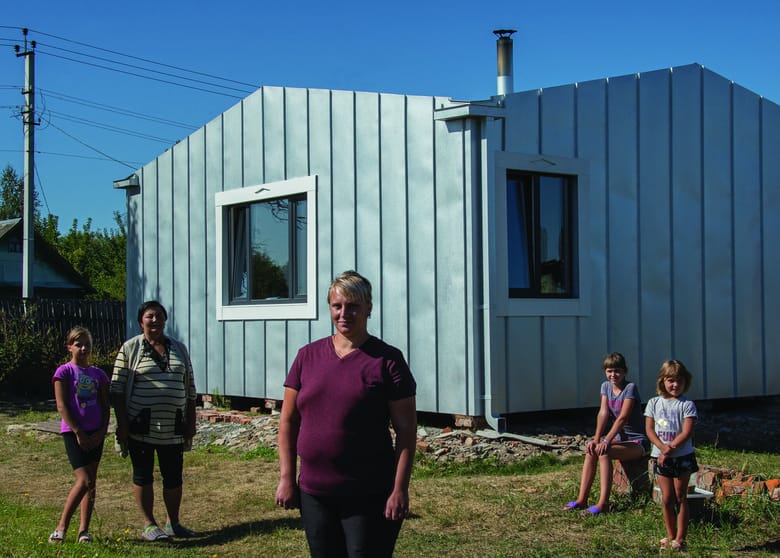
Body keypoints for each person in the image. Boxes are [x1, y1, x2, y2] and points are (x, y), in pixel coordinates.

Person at [275, 270, 417, 558]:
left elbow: (406, 431)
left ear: (369, 308)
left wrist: (399, 489)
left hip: (369, 493)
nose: (344, 313)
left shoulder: (388, 361)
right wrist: (287, 477)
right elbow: (288, 422)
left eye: (353, 306)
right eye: (337, 306)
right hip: (314, 493)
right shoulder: (307, 357)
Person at [111, 300, 198, 542]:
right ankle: (149, 524)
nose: (155, 320)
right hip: (141, 426)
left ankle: (173, 523)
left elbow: (190, 388)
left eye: (159, 316)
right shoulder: (130, 348)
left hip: (173, 426)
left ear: (165, 320)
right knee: (143, 474)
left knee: (174, 476)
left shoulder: (179, 348)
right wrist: (123, 424)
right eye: (150, 316)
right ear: (141, 321)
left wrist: (191, 422)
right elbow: (117, 389)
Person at [563, 352, 650, 516]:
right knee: (591, 450)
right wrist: (596, 439)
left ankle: (603, 503)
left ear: (624, 372)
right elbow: (603, 413)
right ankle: (582, 499)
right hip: (618, 439)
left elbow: (622, 418)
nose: (613, 375)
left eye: (617, 371)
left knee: (604, 452)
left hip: (637, 442)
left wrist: (607, 440)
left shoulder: (630, 388)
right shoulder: (605, 387)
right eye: (609, 371)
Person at [49, 326, 110, 544]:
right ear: (70, 347)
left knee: (91, 481)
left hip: (96, 432)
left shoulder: (99, 375)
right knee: (83, 480)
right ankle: (61, 527)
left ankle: (84, 530)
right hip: (74, 432)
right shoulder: (64, 372)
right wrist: (78, 432)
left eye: (87, 344)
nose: (83, 348)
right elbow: (62, 405)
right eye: (78, 344)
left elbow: (105, 405)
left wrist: (102, 431)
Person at [645, 359, 698, 552]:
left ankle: (681, 538)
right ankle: (670, 534)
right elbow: (650, 429)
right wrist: (660, 447)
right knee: (667, 499)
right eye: (670, 380)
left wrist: (670, 448)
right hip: (661, 456)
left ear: (685, 382)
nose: (675, 385)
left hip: (682, 456)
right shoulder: (654, 403)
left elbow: (686, 432)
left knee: (681, 496)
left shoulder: (687, 405)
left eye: (679, 380)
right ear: (663, 381)